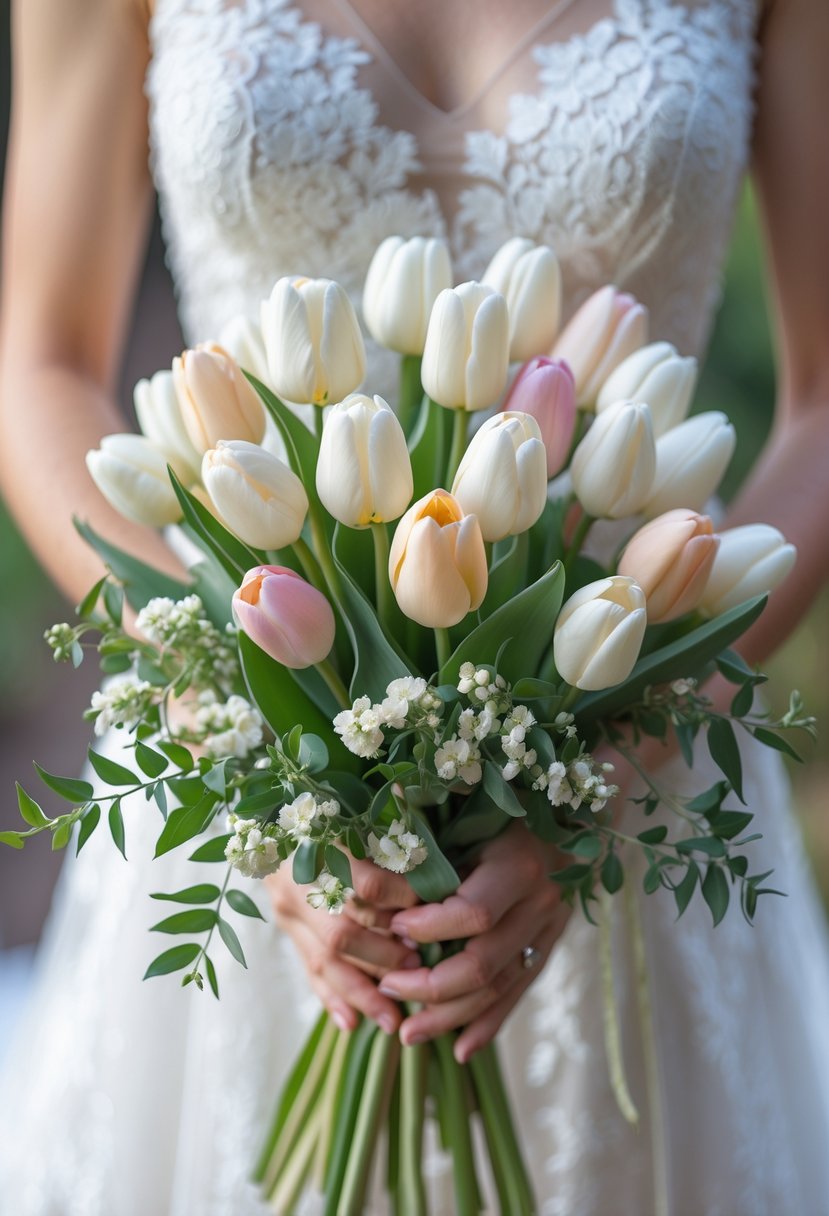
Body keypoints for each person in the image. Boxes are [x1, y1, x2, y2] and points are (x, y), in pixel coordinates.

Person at [1, 0, 828, 1211]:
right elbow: (43, 363)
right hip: (250, 794)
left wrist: (609, 765)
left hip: (639, 785)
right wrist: (247, 738)